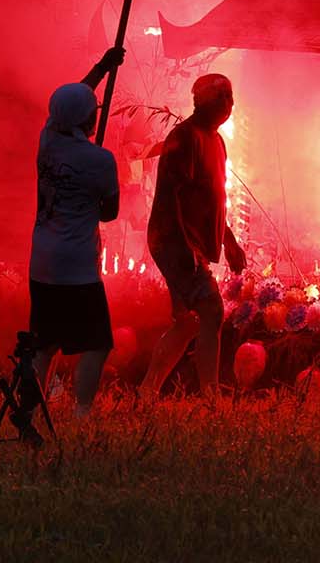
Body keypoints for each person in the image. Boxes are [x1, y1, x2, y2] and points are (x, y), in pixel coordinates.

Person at [26, 47, 124, 417]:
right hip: (78, 266)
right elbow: (110, 213)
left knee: (44, 343)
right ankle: (81, 412)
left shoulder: (47, 141)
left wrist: (102, 67)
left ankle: (30, 413)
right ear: (89, 121)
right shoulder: (100, 160)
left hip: (42, 260)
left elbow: (68, 105)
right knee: (97, 342)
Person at [142, 73, 247, 397]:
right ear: (204, 101)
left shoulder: (216, 141)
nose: (230, 104)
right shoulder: (183, 138)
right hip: (173, 240)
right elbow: (169, 197)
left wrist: (228, 240)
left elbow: (214, 197)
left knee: (187, 322)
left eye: (230, 97)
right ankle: (210, 394)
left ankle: (148, 390)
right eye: (223, 97)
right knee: (212, 309)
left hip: (190, 243)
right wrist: (185, 245)